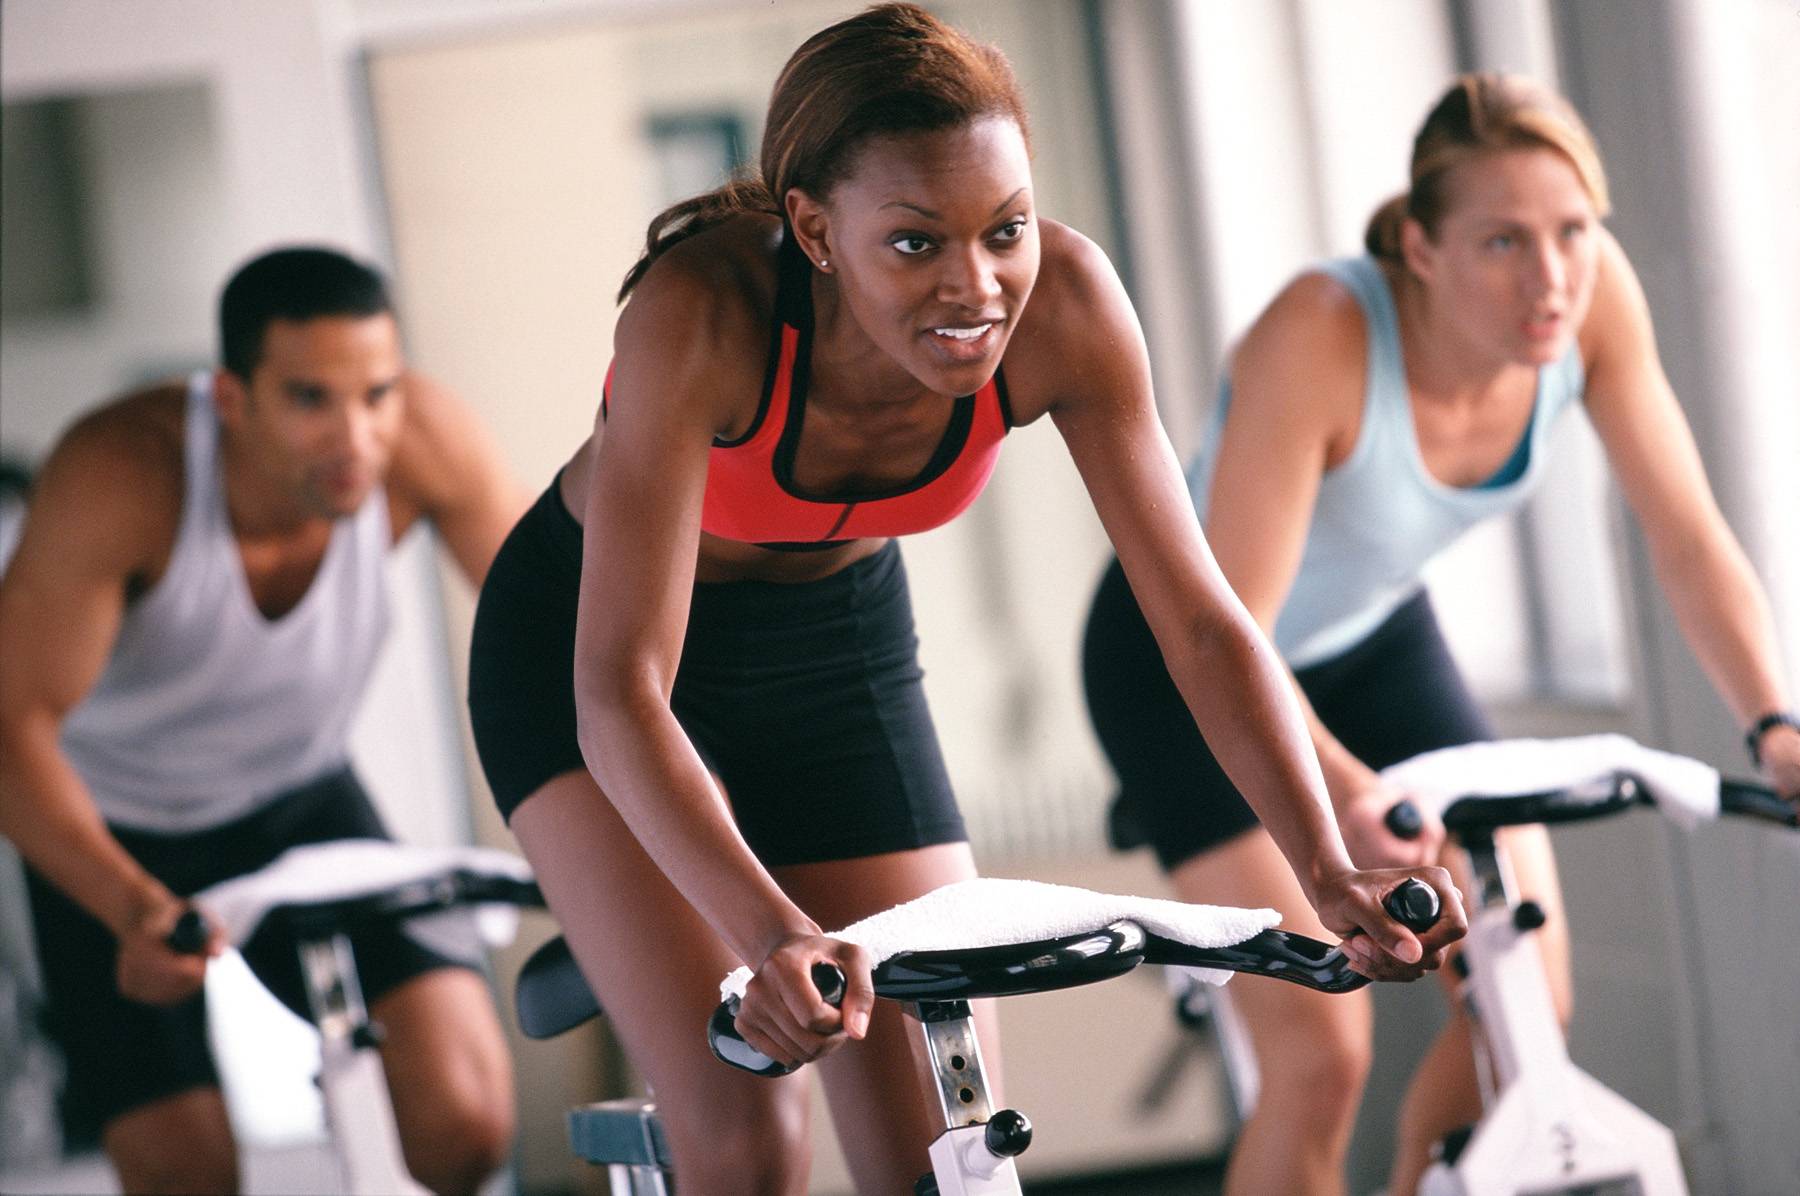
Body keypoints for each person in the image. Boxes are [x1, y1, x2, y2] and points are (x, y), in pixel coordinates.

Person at [465, 6, 1467, 1193]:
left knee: (950, 1145)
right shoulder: (702, 315)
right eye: (914, 243)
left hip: (837, 647)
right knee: (743, 1131)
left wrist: (1322, 856)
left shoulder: (1071, 308)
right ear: (815, 230)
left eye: (1007, 228)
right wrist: (773, 931)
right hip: (591, 646)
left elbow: (1199, 619)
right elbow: (623, 689)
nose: (976, 283)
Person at [1081, 72, 1800, 1196]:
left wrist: (1775, 720)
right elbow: (1237, 632)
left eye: (1572, 231)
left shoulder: (1591, 304)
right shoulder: (1318, 333)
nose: (1552, 274)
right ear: (1419, 247)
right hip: (1188, 657)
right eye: (1503, 241)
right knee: (1321, 1053)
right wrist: (1352, 791)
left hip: (1372, 636)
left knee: (1526, 994)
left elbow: (1691, 537)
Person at [0, 246, 529, 1196]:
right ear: (232, 399)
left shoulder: (425, 441)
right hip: (114, 827)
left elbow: (568, 640)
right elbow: (9, 730)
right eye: (311, 399)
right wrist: (130, 906)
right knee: (185, 1176)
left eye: (377, 393)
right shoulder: (123, 472)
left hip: (303, 798)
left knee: (468, 1121)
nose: (356, 437)